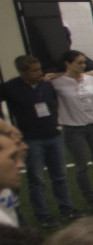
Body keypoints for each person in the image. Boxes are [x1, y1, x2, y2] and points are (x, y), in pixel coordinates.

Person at [0, 56, 80, 228]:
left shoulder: (46, 84)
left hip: (53, 135)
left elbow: (54, 101)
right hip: (30, 139)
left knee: (60, 176)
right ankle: (44, 216)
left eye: (39, 68)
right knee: (36, 179)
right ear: (22, 72)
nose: (39, 73)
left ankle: (67, 208)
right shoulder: (10, 87)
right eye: (34, 70)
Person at [51, 48, 93, 212]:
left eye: (84, 62)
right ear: (68, 64)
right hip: (73, 129)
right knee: (81, 166)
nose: (83, 65)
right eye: (79, 63)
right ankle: (90, 199)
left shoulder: (89, 80)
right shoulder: (57, 83)